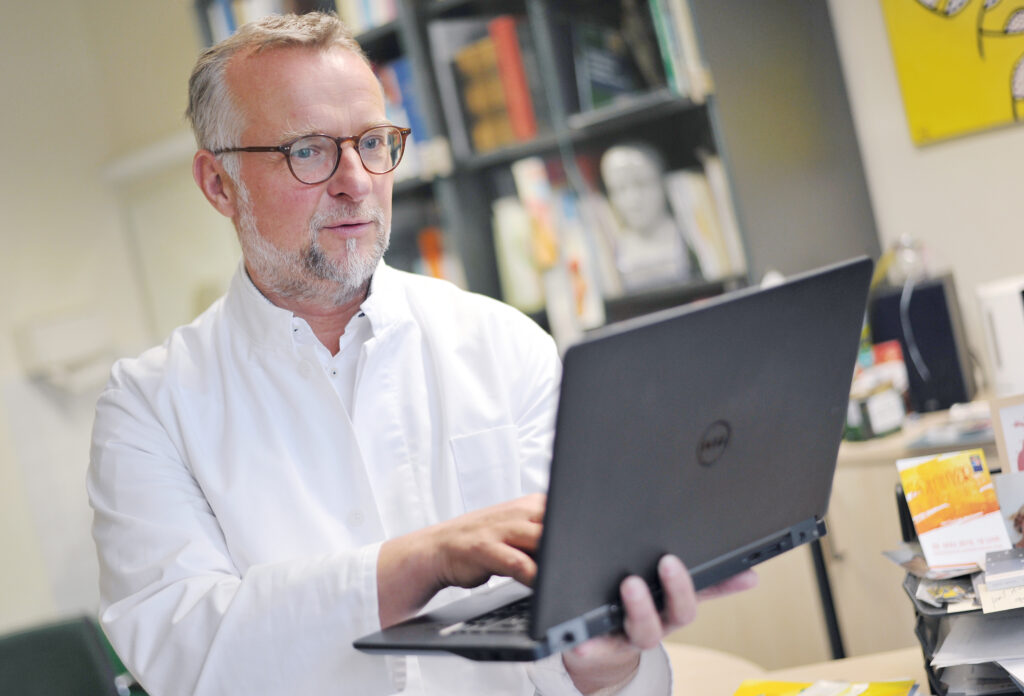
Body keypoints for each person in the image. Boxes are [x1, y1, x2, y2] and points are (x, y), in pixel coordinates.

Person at [87, 12, 755, 696]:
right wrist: (422, 563)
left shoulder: (505, 344)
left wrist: (608, 662)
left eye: (375, 142)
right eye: (309, 151)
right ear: (218, 184)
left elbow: (580, 648)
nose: (356, 180)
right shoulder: (149, 408)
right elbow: (185, 657)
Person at [600, 142, 693, 291]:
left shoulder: (689, 234)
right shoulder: (615, 246)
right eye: (620, 189)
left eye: (642, 184)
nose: (633, 200)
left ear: (661, 183)